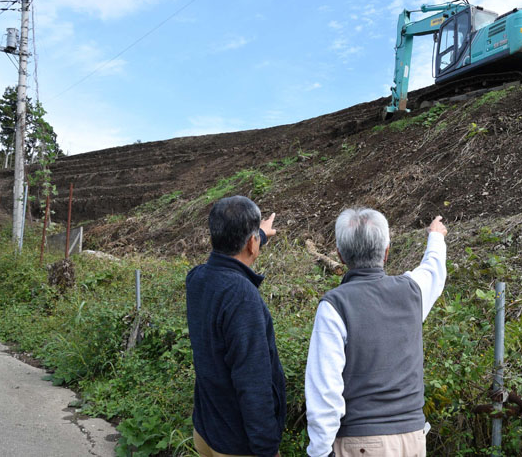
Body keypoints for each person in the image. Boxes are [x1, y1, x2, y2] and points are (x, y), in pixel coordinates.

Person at [305, 208, 448, 457]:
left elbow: (325, 389)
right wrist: (435, 236)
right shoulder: (412, 292)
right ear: (387, 251)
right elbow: (433, 269)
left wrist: (319, 451)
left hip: (360, 443)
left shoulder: (335, 305)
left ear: (340, 254)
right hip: (412, 440)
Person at [186, 195, 285, 457]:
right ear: (251, 244)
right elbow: (252, 381)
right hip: (237, 444)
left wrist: (260, 235)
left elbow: (228, 255)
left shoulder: (197, 278)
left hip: (207, 431)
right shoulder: (242, 297)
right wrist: (266, 448)